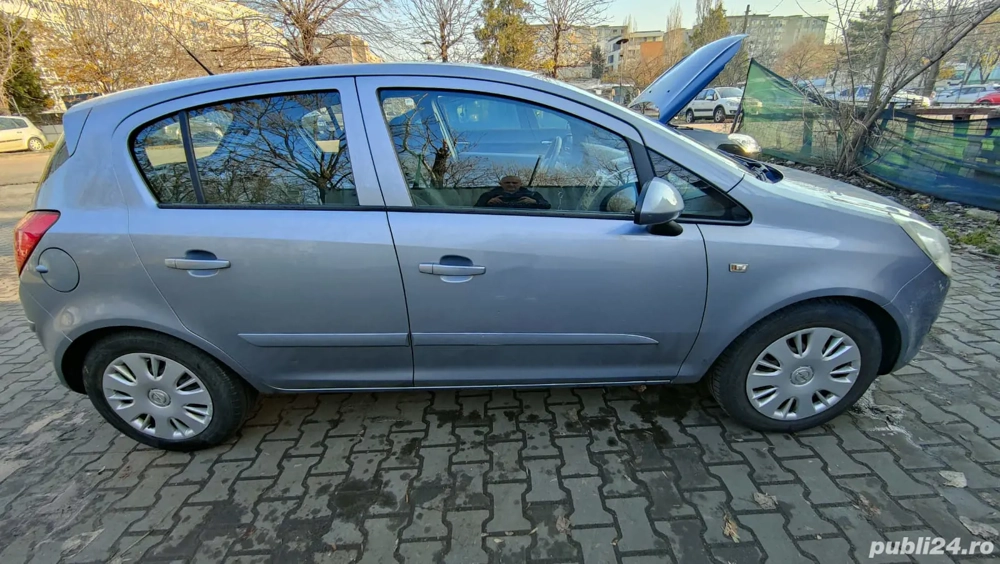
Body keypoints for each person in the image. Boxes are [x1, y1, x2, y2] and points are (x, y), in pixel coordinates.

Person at [474, 176, 551, 209]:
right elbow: (475, 209)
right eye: (507, 183)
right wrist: (487, 203)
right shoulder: (488, 195)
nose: (511, 185)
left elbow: (547, 206)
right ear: (501, 184)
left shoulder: (532, 195)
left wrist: (535, 202)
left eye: (514, 183)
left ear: (520, 184)